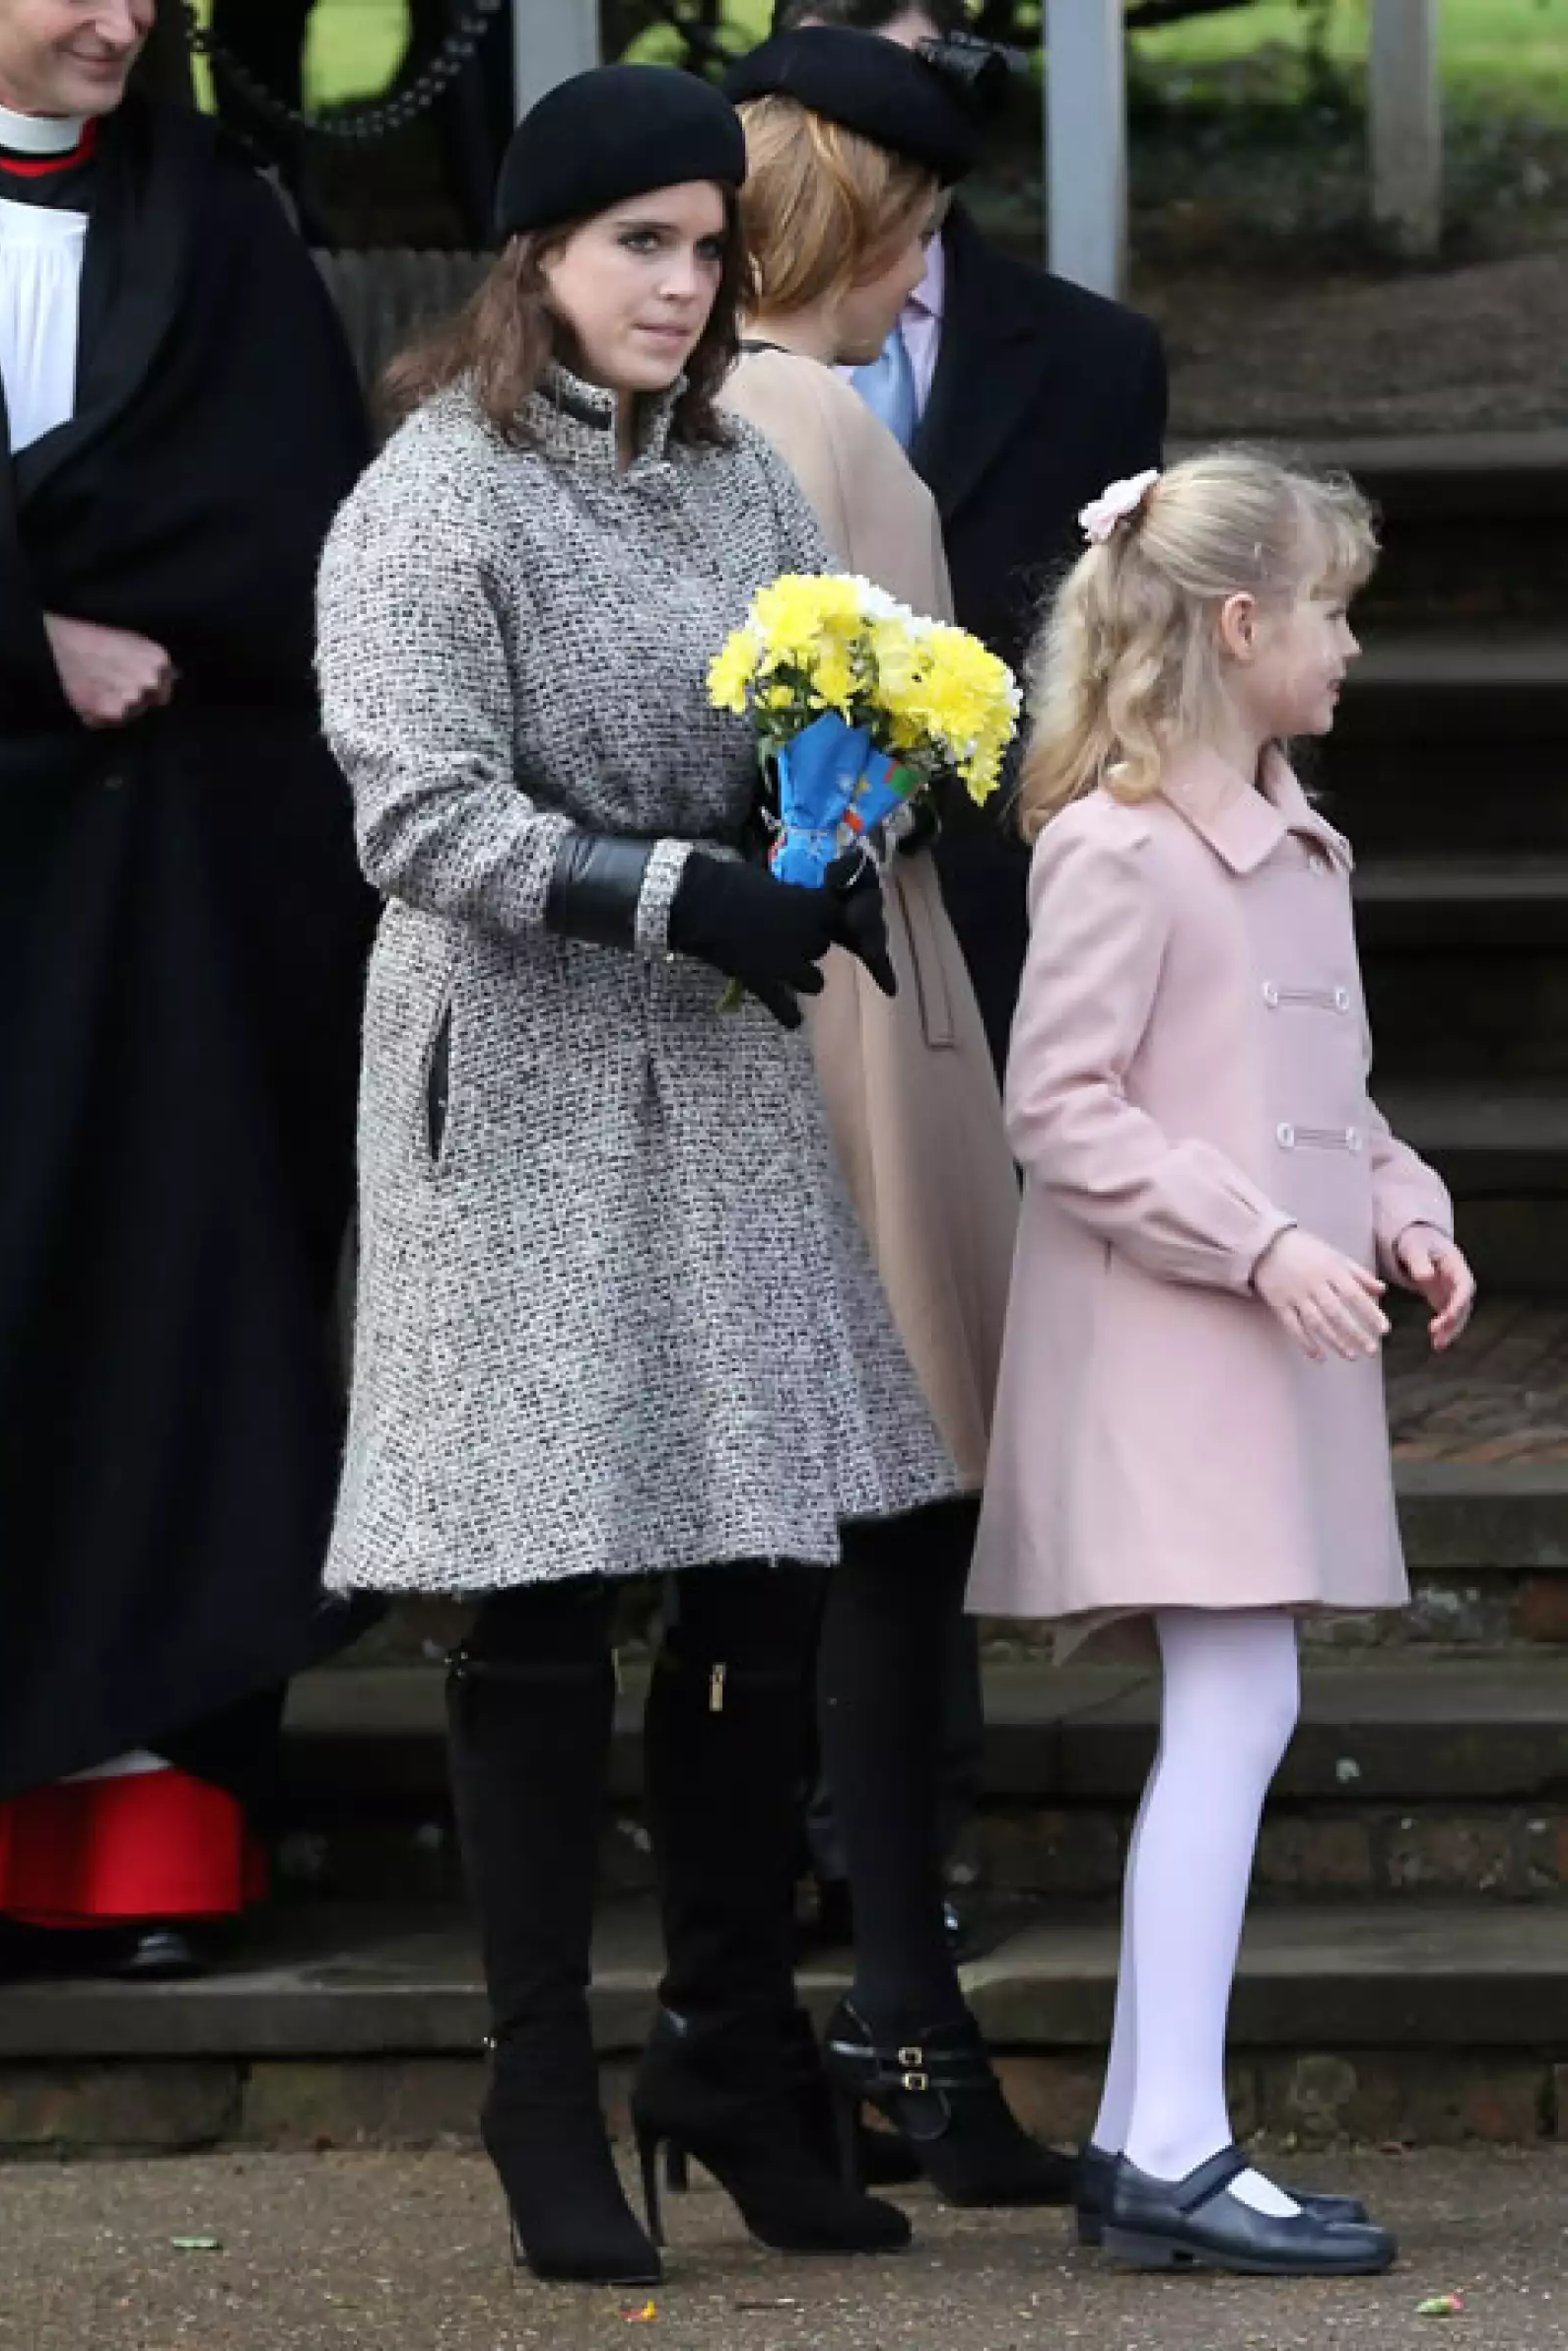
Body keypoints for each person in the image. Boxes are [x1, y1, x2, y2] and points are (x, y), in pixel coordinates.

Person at [315, 62, 983, 2291]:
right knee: (532, 1591)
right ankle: (533, 2085)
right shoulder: (434, 493)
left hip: (707, 1085)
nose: (686, 290)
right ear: (539, 257)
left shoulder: (731, 482)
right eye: (642, 248)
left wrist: (848, 803)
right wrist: (665, 890)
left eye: (709, 251)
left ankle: (726, 2043)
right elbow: (414, 816)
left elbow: (811, 713)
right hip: (510, 1082)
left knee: (758, 1573)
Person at [969, 449, 1478, 2276]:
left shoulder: (1287, 836)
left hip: (1262, 1337)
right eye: (1334, 613)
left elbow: (1320, 1095)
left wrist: (1399, 1200)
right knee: (1239, 1710)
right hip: (1178, 1344)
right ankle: (1173, 2137)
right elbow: (1064, 1108)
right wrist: (1262, 1241)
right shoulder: (1122, 845)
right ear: (1242, 626)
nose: (1350, 649)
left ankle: (1133, 2136)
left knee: (1240, 1710)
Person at [718, 26, 1069, 2211]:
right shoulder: (820, 416)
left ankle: (840, 2026)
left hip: (778, 994)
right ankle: (894, 2034)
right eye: (912, 223)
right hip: (867, 997)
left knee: (826, 1535)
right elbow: (931, 738)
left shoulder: (675, 419)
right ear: (868, 225)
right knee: (886, 1524)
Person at [0, 0, 375, 1976]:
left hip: (178, 895)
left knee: (171, 1322)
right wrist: (23, 628)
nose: (118, 19)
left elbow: (287, 521)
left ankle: (147, 1851)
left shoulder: (218, 220)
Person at [775, 0, 1169, 1078]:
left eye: (901, 89)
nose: (870, 128)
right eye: (833, 96)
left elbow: (1119, 661)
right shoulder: (673, 348)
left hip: (998, 924)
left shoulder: (1098, 361)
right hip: (739, 933)